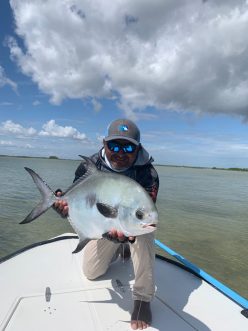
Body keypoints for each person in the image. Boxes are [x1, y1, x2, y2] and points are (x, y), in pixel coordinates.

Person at [54, 119, 159, 330]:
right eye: (115, 145)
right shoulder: (88, 166)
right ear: (104, 144)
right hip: (104, 223)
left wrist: (127, 233)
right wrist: (64, 206)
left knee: (146, 230)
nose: (121, 152)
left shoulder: (148, 173)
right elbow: (81, 201)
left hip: (131, 222)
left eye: (128, 147)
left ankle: (142, 298)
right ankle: (120, 247)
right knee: (91, 272)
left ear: (138, 148)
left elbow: (145, 214)